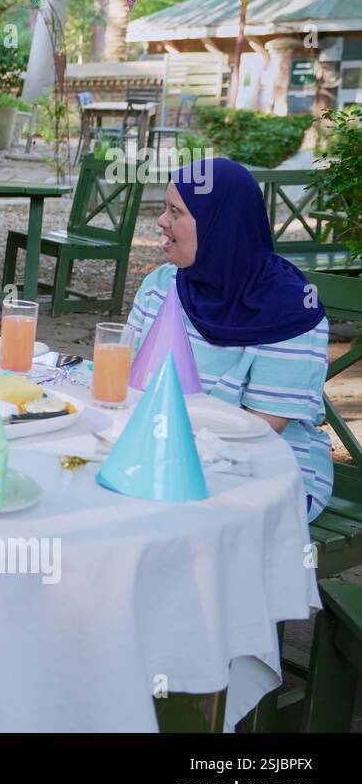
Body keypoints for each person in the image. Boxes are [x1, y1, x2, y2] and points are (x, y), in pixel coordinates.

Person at [125, 157, 332, 520]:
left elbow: (262, 429)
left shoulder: (290, 310)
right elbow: (123, 374)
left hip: (267, 473)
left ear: (220, 226)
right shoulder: (161, 284)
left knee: (149, 515)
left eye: (175, 212)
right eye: (164, 209)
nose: (161, 221)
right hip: (155, 449)